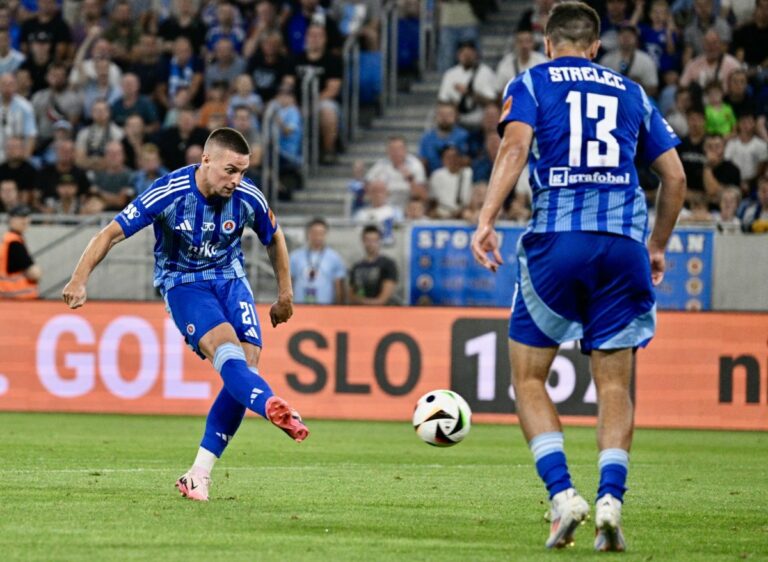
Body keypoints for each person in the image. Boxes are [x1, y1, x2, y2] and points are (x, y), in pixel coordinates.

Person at [470, 3, 686, 552]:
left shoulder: (531, 81)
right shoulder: (631, 91)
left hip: (559, 242)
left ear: (547, 44)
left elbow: (516, 147)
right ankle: (611, 501)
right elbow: (675, 176)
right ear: (594, 46)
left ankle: (565, 498)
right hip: (623, 247)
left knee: (528, 378)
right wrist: (657, 246)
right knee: (614, 384)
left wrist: (487, 218)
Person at [61, 127, 309, 502]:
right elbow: (110, 233)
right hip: (184, 283)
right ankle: (271, 404)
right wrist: (79, 280)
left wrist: (285, 295)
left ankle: (198, 474)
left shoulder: (247, 197)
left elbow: (273, 236)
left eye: (242, 171)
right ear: (206, 160)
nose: (236, 180)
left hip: (230, 278)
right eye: (230, 170)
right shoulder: (170, 192)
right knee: (230, 356)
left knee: (247, 369)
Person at [289, 217, 347, 304]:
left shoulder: (334, 258)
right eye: (314, 233)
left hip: (325, 308)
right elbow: (288, 283)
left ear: (326, 234)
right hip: (300, 307)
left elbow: (338, 286)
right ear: (308, 234)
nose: (317, 236)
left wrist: (338, 308)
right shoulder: (295, 256)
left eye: (321, 233)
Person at [349, 224, 398, 305]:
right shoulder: (356, 267)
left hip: (382, 313)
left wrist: (361, 301)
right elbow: (351, 296)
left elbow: (383, 299)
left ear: (379, 241)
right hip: (359, 314)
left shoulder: (388, 264)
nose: (371, 244)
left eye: (374, 240)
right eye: (368, 240)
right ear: (363, 241)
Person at [0, 205, 41, 299]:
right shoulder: (14, 242)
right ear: (11, 219)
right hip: (17, 296)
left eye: (27, 216)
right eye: (21, 217)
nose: (25, 220)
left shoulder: (6, 239)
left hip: (7, 295)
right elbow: (34, 274)